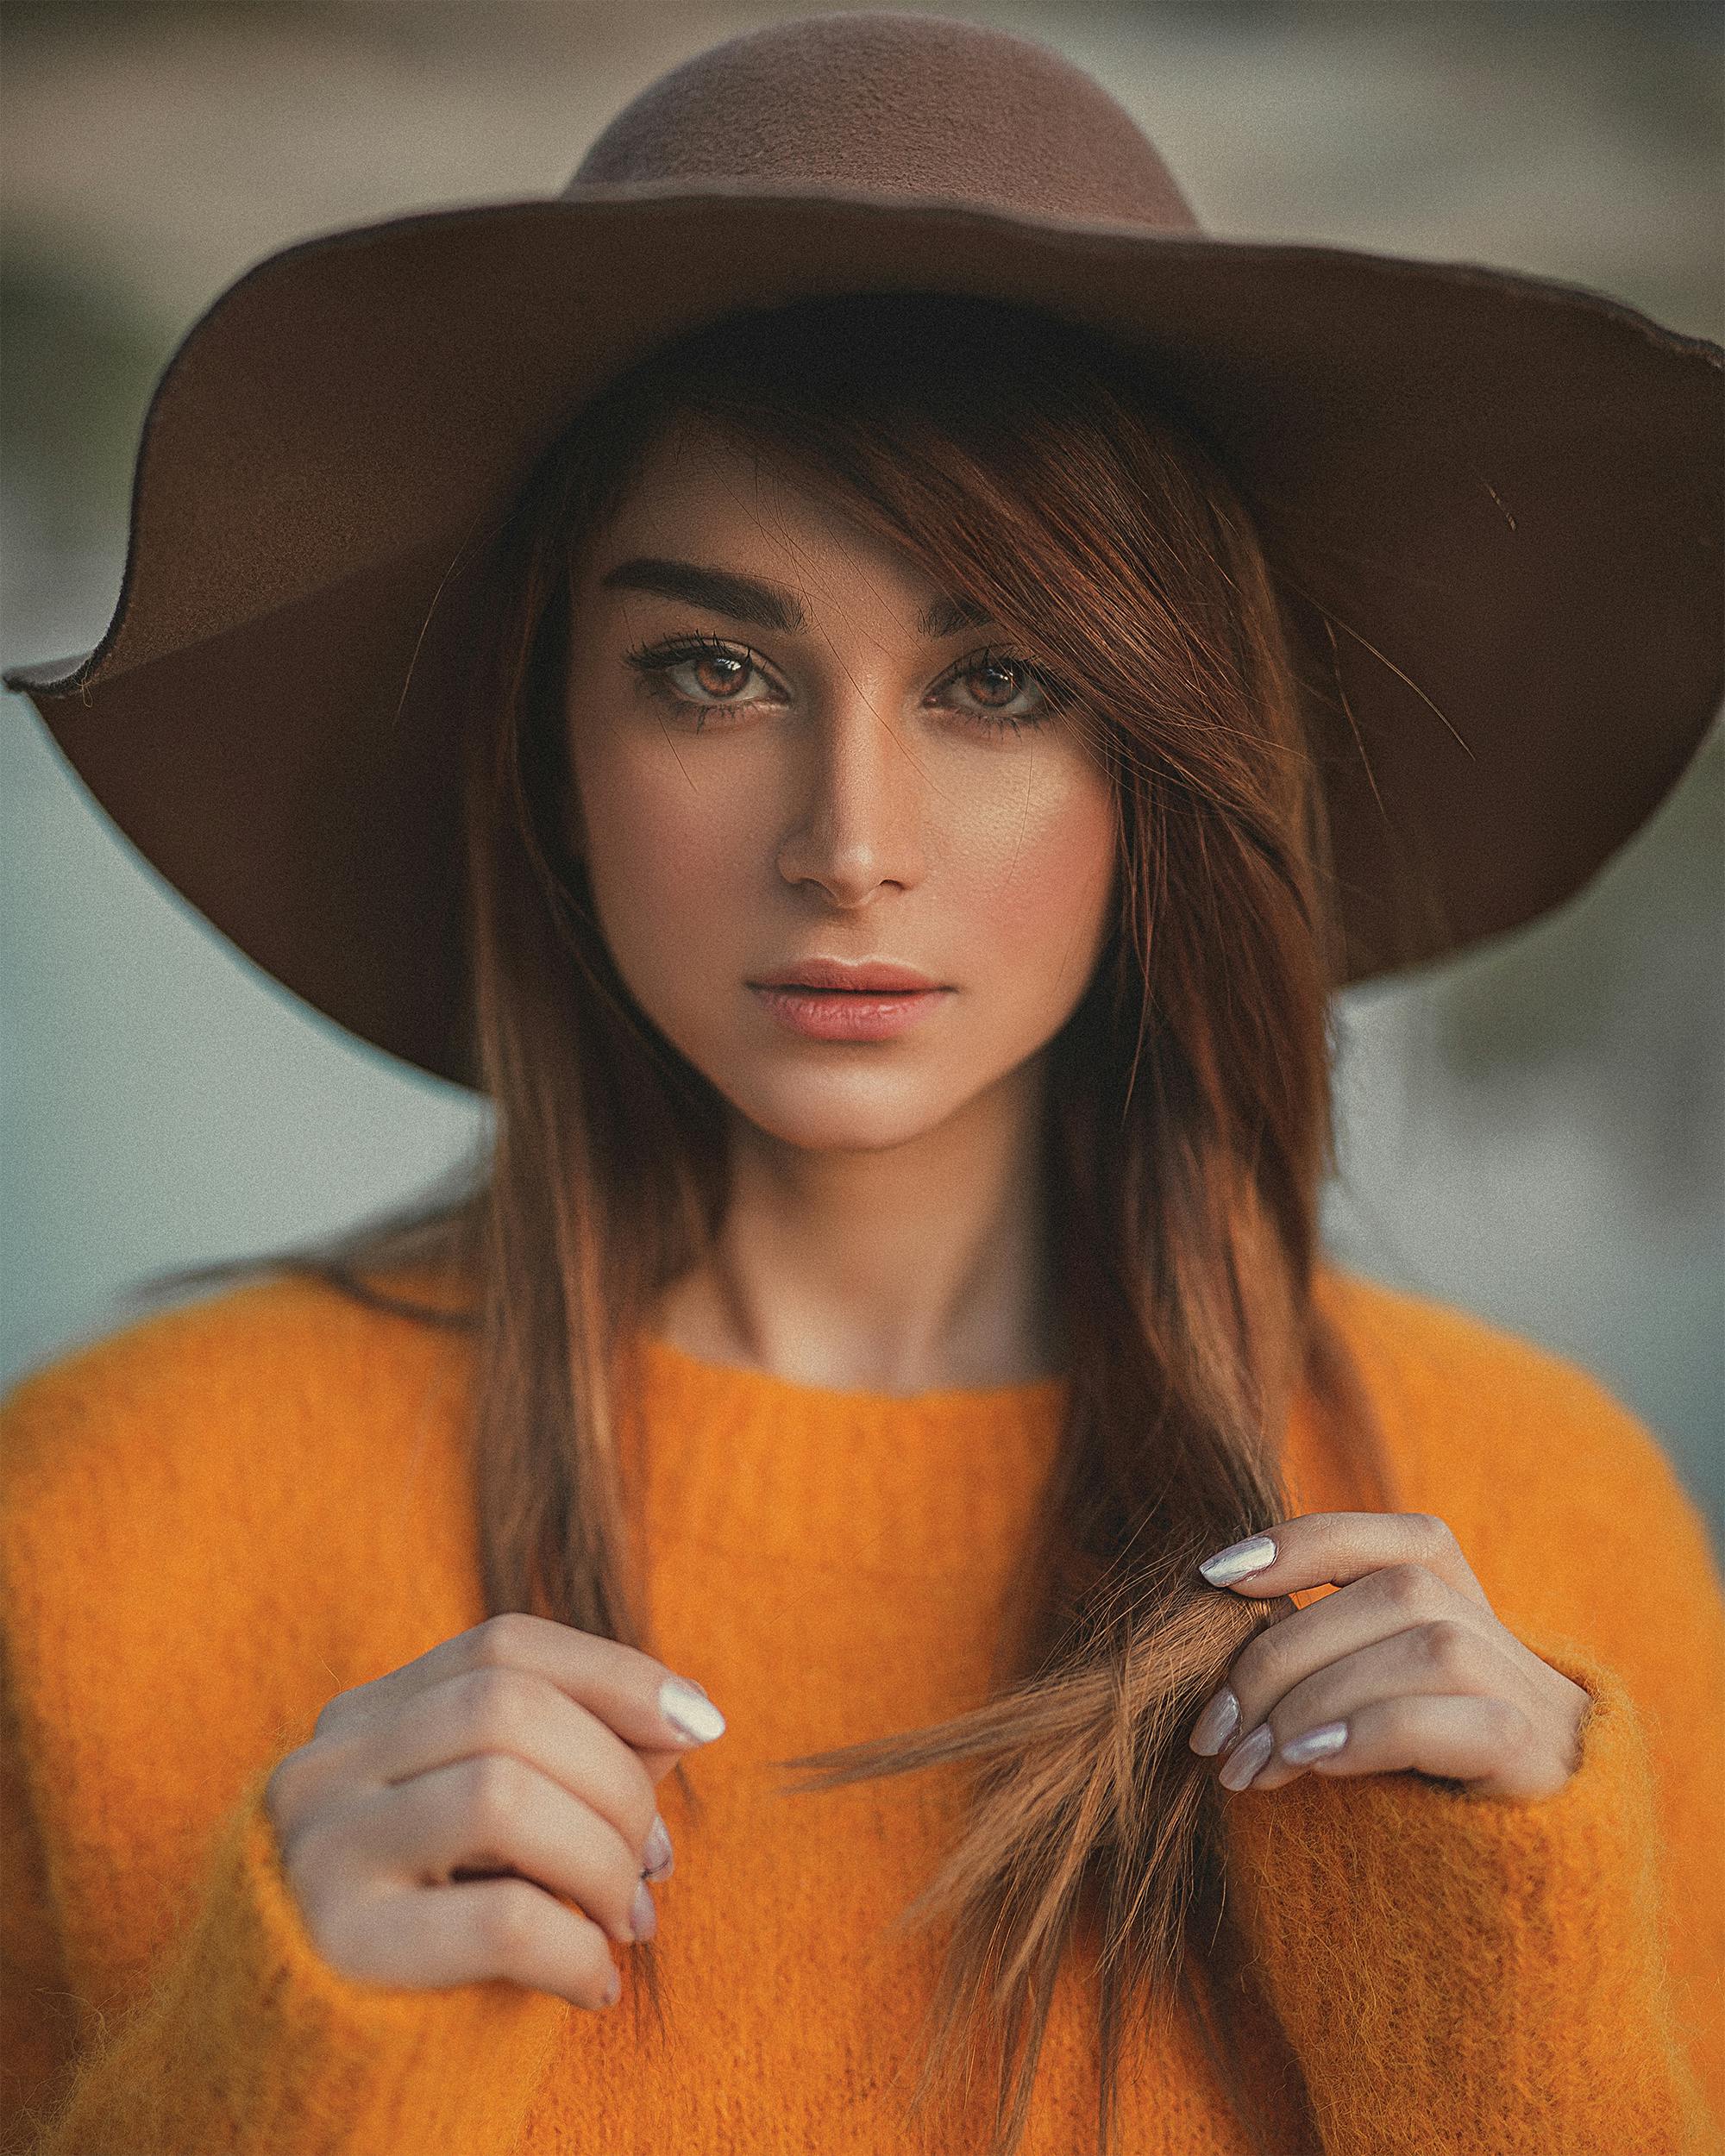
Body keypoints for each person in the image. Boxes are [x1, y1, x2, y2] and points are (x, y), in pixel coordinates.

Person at [2, 15, 1720, 2156]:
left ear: (1162, 764)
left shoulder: (1545, 1528)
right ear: (550, 742)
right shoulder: (102, 1522)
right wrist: (271, 2076)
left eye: (999, 679)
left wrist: (1493, 1967)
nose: (849, 840)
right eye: (711, 670)